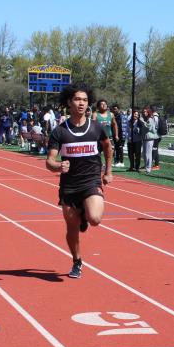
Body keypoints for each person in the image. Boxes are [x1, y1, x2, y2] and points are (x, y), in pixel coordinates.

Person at [45, 84, 113, 279]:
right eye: (77, 99)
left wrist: (108, 171)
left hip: (91, 181)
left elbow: (108, 147)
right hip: (69, 185)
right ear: (69, 102)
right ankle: (77, 261)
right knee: (72, 228)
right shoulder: (59, 132)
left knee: (95, 219)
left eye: (84, 100)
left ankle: (85, 214)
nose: (81, 103)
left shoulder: (96, 128)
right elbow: (49, 162)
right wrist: (58, 166)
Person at [141, 107, 158, 173]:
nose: (144, 113)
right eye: (143, 112)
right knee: (144, 154)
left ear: (148, 112)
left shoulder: (150, 119)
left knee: (148, 154)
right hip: (145, 138)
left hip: (149, 139)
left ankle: (148, 168)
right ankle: (146, 166)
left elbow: (149, 127)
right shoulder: (144, 119)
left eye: (145, 112)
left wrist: (143, 122)